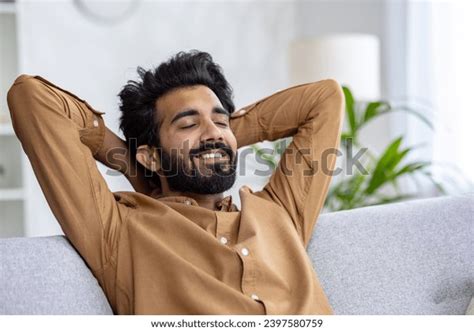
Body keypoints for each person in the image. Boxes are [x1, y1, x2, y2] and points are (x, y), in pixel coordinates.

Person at [7, 50, 344, 314]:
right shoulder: (120, 232)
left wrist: (214, 140)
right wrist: (136, 165)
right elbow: (33, 98)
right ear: (150, 155)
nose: (213, 131)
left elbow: (325, 98)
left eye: (220, 119)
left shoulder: (279, 212)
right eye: (187, 124)